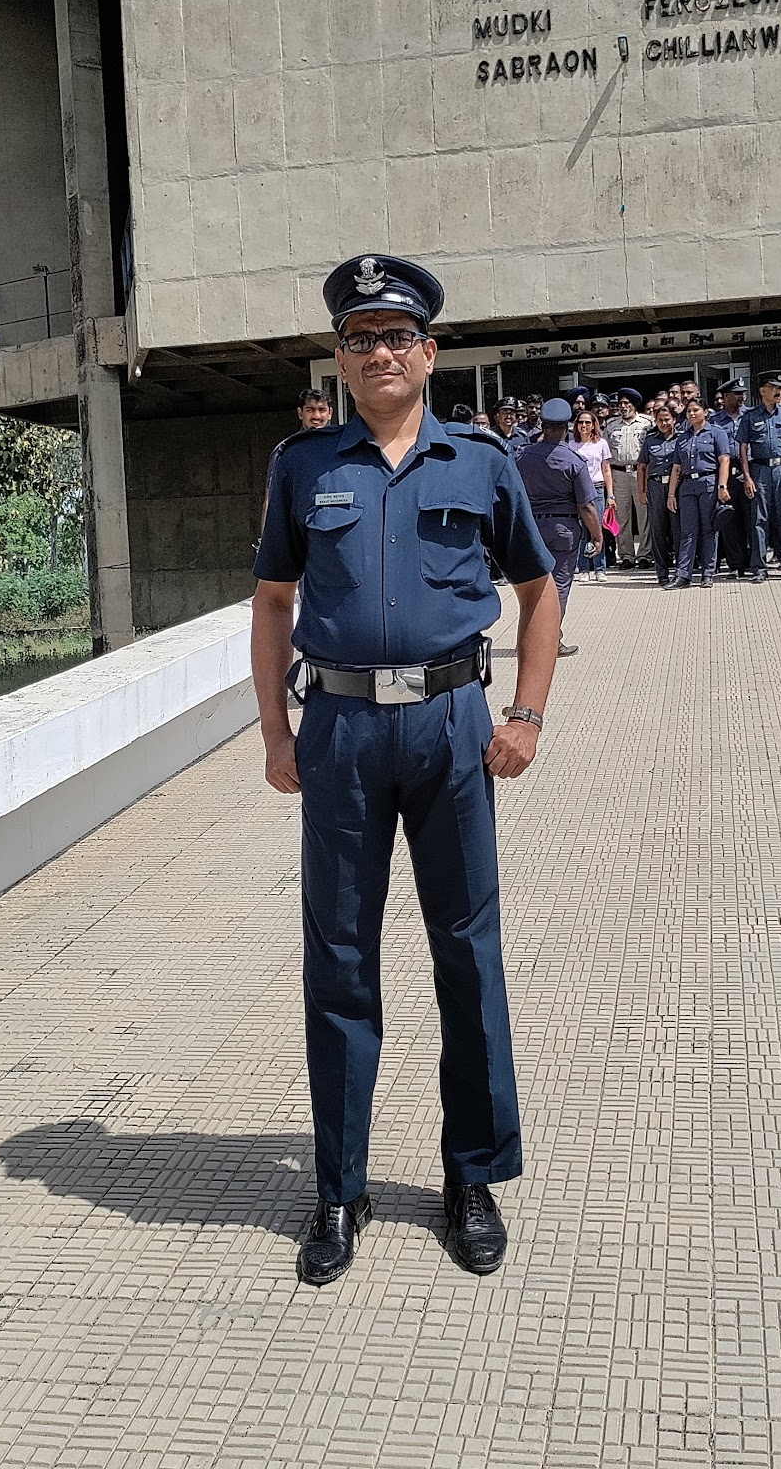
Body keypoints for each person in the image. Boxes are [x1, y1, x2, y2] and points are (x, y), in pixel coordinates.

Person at [254, 255, 561, 1287]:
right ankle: (339, 1188)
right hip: (338, 727)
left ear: (429, 354)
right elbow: (270, 606)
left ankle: (470, 1176)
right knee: (337, 961)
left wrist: (524, 713)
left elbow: (538, 588)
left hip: (449, 726)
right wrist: (273, 733)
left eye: (395, 336)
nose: (377, 352)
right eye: (358, 338)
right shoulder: (302, 469)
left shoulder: (480, 462)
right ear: (338, 358)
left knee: (465, 953)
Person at [515, 397, 604, 655]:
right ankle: (551, 640)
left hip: (532, 529)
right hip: (563, 529)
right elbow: (586, 505)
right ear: (567, 427)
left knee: (533, 586)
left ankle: (529, 639)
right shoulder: (574, 461)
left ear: (543, 425)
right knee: (559, 587)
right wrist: (597, 537)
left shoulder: (523, 456)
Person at [737, 369, 781, 582]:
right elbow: (743, 449)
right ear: (762, 390)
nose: (779, 392)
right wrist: (747, 477)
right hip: (760, 471)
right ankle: (759, 568)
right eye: (774, 388)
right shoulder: (750, 417)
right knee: (759, 519)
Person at [666, 396, 731, 587]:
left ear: (705, 412)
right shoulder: (683, 437)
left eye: (696, 410)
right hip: (687, 486)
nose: (692, 414)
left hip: (709, 482)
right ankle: (683, 575)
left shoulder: (716, 433)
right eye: (689, 411)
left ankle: (707, 573)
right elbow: (676, 468)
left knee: (709, 529)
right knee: (687, 531)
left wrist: (722, 486)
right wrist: (671, 494)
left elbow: (724, 461)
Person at [261, 387, 334, 531]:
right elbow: (271, 497)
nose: (316, 416)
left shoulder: (342, 447)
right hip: (299, 530)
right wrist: (264, 542)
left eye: (322, 409)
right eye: (310, 410)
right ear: (300, 413)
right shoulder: (286, 450)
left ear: (330, 413)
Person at [603, 388, 651, 568]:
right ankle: (626, 556)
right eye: (621, 404)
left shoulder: (647, 423)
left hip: (640, 472)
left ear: (634, 404)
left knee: (643, 515)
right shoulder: (611, 425)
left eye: (626, 403)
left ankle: (645, 555)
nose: (623, 407)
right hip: (618, 473)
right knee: (622, 516)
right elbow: (605, 453)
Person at [710, 379, 752, 577]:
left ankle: (754, 562)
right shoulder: (714, 421)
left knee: (752, 519)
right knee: (729, 521)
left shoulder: (751, 416)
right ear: (725, 397)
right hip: (727, 474)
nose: (742, 397)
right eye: (737, 394)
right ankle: (736, 565)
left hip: (750, 472)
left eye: (743, 393)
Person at [639, 403, 683, 586]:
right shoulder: (650, 440)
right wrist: (641, 491)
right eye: (659, 420)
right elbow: (642, 466)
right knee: (658, 532)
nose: (663, 423)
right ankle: (662, 573)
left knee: (678, 531)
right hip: (655, 487)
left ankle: (681, 572)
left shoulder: (682, 439)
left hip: (678, 488)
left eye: (667, 420)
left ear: (674, 420)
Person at [570, 408, 614, 582]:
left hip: (596, 488)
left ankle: (600, 568)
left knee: (597, 528)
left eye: (588, 422)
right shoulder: (571, 444)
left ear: (593, 424)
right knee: (581, 530)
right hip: (577, 489)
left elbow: (606, 470)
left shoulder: (601, 443)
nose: (584, 425)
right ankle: (583, 568)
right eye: (581, 422)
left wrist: (610, 495)